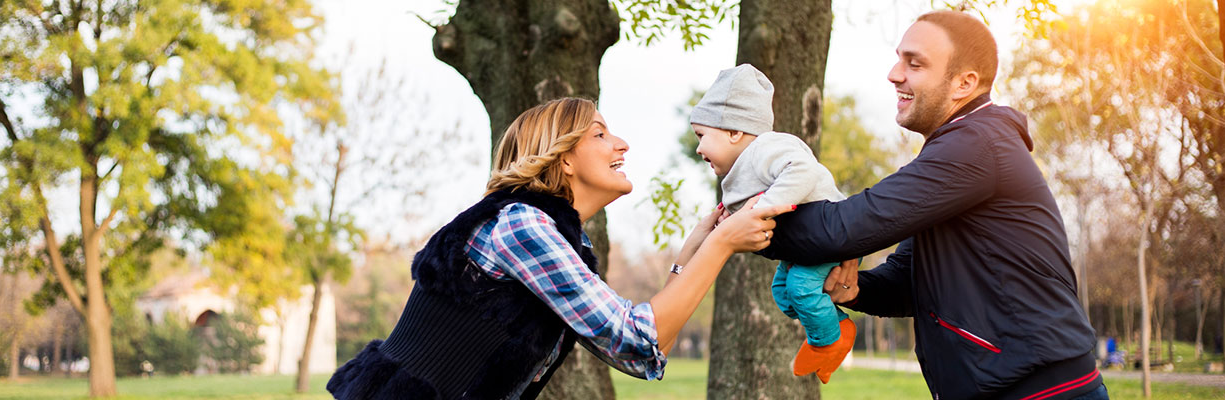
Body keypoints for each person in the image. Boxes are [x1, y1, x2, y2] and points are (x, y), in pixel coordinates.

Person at [327, 97, 792, 399]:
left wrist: (695, 250)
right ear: (564, 157)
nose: (622, 143)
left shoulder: (555, 237)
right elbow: (635, 335)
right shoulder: (521, 225)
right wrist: (724, 245)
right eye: (600, 134)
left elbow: (640, 350)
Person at [759, 10, 1107, 399]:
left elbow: (846, 227)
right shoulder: (958, 151)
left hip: (1040, 392)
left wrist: (748, 222)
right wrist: (853, 291)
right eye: (899, 58)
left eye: (915, 63)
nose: (894, 73)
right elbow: (909, 285)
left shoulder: (977, 145)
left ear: (965, 83)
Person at [689, 63, 859, 384]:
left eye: (701, 136)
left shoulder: (766, 147)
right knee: (782, 292)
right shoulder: (740, 168)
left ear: (734, 131)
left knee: (799, 287)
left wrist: (764, 209)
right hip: (804, 245)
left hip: (831, 234)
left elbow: (802, 170)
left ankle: (827, 342)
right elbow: (744, 208)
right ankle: (836, 325)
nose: (698, 148)